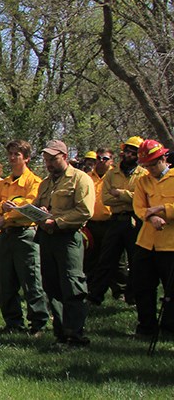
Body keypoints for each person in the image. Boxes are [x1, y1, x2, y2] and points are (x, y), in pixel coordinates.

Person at [33, 139, 95, 347]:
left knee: (72, 286)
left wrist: (56, 221)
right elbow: (37, 206)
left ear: (65, 157)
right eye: (46, 160)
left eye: (53, 159)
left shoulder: (80, 179)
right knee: (52, 286)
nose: (49, 164)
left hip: (68, 237)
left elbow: (85, 211)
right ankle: (61, 333)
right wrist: (35, 213)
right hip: (46, 238)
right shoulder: (45, 183)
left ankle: (75, 335)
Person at [0, 140, 48, 335]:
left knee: (31, 280)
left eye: (17, 155)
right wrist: (1, 209)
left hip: (25, 235)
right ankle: (13, 323)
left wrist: (6, 216)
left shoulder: (34, 182)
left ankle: (38, 323)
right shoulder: (3, 183)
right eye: (10, 154)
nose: (12, 158)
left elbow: (30, 206)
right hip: (4, 236)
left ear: (26, 157)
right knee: (5, 282)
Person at [88, 137, 146, 306]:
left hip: (134, 220)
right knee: (106, 259)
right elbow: (106, 198)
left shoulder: (143, 174)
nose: (128, 154)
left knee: (135, 261)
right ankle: (95, 296)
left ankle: (132, 296)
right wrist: (129, 197)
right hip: (115, 220)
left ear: (138, 155)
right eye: (127, 151)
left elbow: (141, 199)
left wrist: (120, 194)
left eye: (133, 152)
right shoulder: (112, 174)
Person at [131, 140, 174, 337]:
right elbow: (139, 207)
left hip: (170, 245)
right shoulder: (143, 181)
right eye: (146, 166)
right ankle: (146, 326)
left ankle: (168, 327)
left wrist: (163, 209)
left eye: (153, 164)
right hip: (146, 242)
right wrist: (152, 216)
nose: (150, 169)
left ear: (164, 158)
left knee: (171, 289)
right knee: (143, 286)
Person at [84, 148, 115, 280]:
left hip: (111, 223)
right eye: (98, 158)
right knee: (91, 256)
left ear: (111, 160)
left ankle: (119, 291)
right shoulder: (87, 177)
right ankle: (90, 287)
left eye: (105, 159)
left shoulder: (116, 175)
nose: (101, 161)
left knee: (113, 258)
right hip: (91, 224)